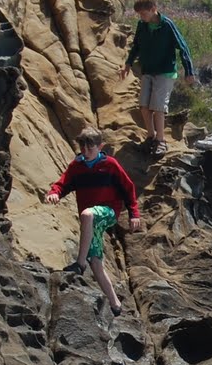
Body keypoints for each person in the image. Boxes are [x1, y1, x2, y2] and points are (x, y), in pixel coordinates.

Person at [45, 127, 142, 315]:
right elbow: (63, 184)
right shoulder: (77, 166)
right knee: (96, 262)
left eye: (90, 148)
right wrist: (54, 194)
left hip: (108, 212)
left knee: (88, 214)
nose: (86, 152)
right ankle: (116, 306)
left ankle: (79, 264)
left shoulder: (110, 165)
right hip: (90, 220)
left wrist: (134, 213)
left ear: (100, 147)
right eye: (83, 147)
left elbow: (128, 188)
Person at [120, 0, 196, 155]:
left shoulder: (167, 25)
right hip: (148, 70)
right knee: (144, 106)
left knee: (159, 107)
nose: (141, 16)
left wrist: (189, 70)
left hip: (165, 72)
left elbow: (183, 47)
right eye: (139, 14)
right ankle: (151, 136)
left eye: (144, 13)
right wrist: (127, 64)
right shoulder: (142, 25)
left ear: (154, 9)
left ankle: (161, 141)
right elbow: (136, 46)